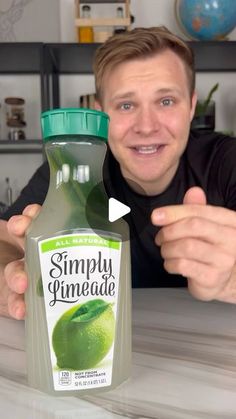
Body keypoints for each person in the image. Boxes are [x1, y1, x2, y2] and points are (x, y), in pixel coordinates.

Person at [0, 26, 236, 320]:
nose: (147, 126)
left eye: (165, 101)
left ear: (190, 106)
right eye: (126, 105)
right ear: (101, 116)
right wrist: (11, 277)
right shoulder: (71, 167)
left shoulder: (227, 159)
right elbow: (4, 238)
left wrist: (232, 279)